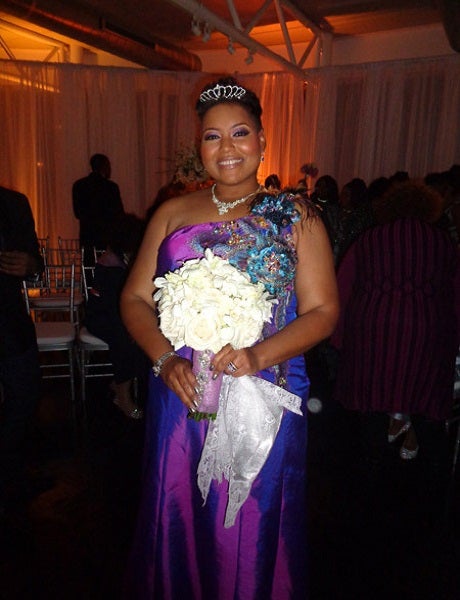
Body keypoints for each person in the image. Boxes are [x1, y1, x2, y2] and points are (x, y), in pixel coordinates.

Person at [120, 77, 339, 599]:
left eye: (240, 133)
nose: (227, 148)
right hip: (181, 391)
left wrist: (257, 356)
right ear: (199, 147)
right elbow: (134, 299)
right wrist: (165, 360)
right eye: (212, 136)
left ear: (262, 140)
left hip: (263, 388)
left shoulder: (296, 216)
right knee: (176, 503)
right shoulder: (172, 213)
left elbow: (324, 311)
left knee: (252, 515)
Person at [331, 181, 460, 461]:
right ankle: (427, 475)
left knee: (371, 407)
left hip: (372, 330)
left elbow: (343, 287)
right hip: (427, 333)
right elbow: (456, 292)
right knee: (425, 407)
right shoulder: (444, 243)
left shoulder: (368, 239)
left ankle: (370, 473)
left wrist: (339, 337)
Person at [0, 186, 44, 513]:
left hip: (8, 319)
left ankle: (11, 474)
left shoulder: (13, 202)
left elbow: (35, 260)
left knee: (26, 396)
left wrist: (30, 264)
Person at [84, 213, 147, 420]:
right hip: (101, 316)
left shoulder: (128, 258)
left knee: (143, 335)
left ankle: (122, 382)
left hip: (119, 314)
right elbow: (110, 305)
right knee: (124, 340)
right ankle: (123, 395)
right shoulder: (109, 264)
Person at [72, 153, 125, 254]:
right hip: (107, 237)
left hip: (87, 237)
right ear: (104, 167)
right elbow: (118, 213)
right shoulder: (111, 187)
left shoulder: (79, 185)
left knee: (88, 263)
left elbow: (77, 213)